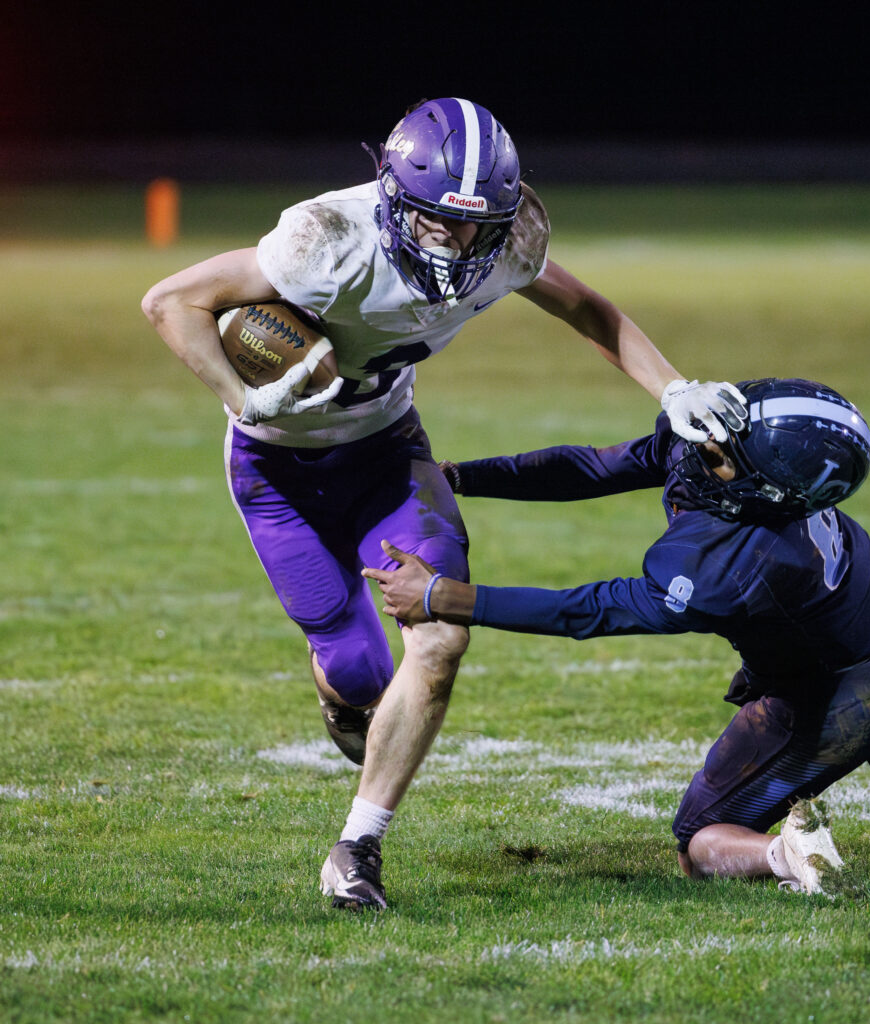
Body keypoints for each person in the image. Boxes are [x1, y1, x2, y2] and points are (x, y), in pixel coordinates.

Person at [141, 97, 749, 911]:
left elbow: (589, 309)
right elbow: (168, 301)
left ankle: (356, 849)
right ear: (393, 197)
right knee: (357, 673)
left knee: (439, 635)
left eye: (473, 226)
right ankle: (342, 694)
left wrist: (673, 387)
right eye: (434, 221)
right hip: (276, 472)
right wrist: (243, 398)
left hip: (389, 454)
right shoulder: (327, 240)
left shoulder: (509, 237)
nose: (455, 243)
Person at [364, 377, 870, 892]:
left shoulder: (731, 562)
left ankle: (788, 855)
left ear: (767, 489)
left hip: (840, 697)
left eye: (726, 453)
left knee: (700, 841)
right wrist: (465, 478)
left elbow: (591, 610)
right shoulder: (752, 470)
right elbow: (599, 467)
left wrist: (441, 597)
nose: (707, 446)